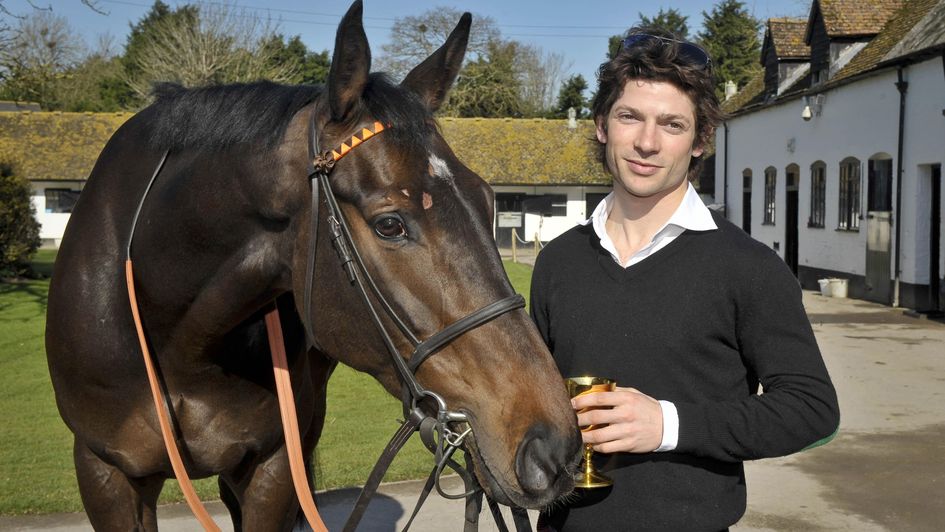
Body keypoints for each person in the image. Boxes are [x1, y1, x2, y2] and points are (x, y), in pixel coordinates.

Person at [529, 28, 840, 532]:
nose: (647, 143)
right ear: (603, 125)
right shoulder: (558, 261)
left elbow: (811, 410)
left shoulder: (748, 266)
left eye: (671, 124)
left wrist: (667, 426)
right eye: (631, 116)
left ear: (699, 142)